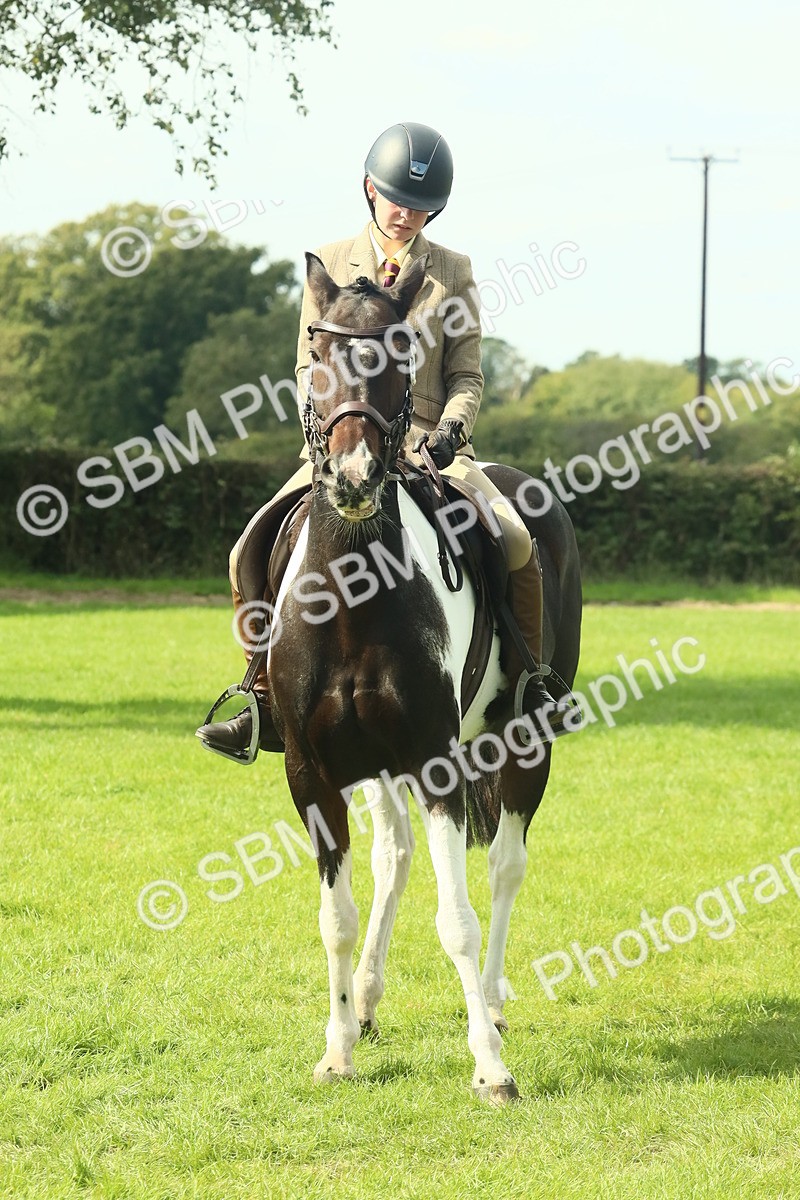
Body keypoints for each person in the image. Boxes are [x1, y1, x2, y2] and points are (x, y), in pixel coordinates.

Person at [196, 121, 564, 759]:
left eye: (421, 206)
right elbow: (307, 370)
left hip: (429, 446)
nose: (407, 214)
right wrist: (327, 438)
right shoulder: (330, 264)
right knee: (244, 551)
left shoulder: (454, 271)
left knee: (515, 538)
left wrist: (451, 429)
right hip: (342, 444)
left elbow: (466, 374)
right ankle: (259, 695)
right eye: (397, 199)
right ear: (369, 188)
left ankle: (529, 682)